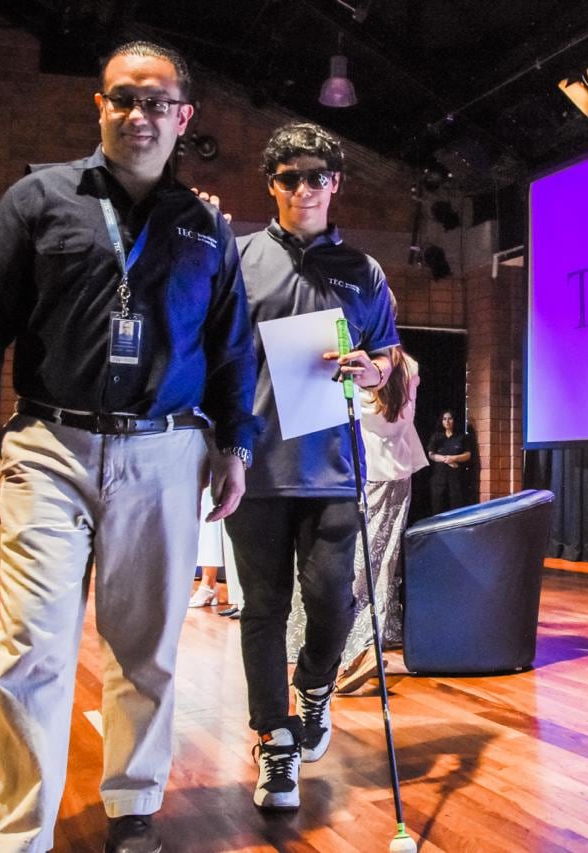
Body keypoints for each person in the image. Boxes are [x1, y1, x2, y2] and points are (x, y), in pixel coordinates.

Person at [0, 41, 259, 853]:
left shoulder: (206, 227)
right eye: (124, 98)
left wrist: (236, 445)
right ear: (100, 106)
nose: (139, 114)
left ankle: (134, 807)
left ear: (183, 116)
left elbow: (232, 348)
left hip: (165, 452)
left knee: (146, 650)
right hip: (48, 446)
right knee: (32, 648)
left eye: (157, 102)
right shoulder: (36, 200)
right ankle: (21, 834)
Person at [225, 121, 398, 811]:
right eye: (289, 177)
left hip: (333, 467)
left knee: (332, 599)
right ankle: (275, 741)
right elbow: (212, 356)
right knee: (263, 608)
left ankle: (316, 687)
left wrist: (371, 368)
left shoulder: (365, 271)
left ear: (336, 184)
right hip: (255, 468)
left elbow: (386, 357)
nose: (303, 188)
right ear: (272, 185)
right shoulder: (237, 260)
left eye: (316, 176)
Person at [286, 342, 429, 694]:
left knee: (348, 564)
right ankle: (366, 643)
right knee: (380, 563)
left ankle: (351, 652)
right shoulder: (408, 366)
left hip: (358, 468)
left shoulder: (354, 368)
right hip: (396, 471)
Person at [427, 409, 472, 514]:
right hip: (439, 478)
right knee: (438, 507)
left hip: (456, 478)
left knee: (456, 508)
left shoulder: (461, 437)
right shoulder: (436, 437)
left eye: (450, 419)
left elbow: (468, 455)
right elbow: (431, 455)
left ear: (454, 420)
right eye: (444, 419)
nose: (447, 421)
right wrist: (446, 459)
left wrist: (454, 458)